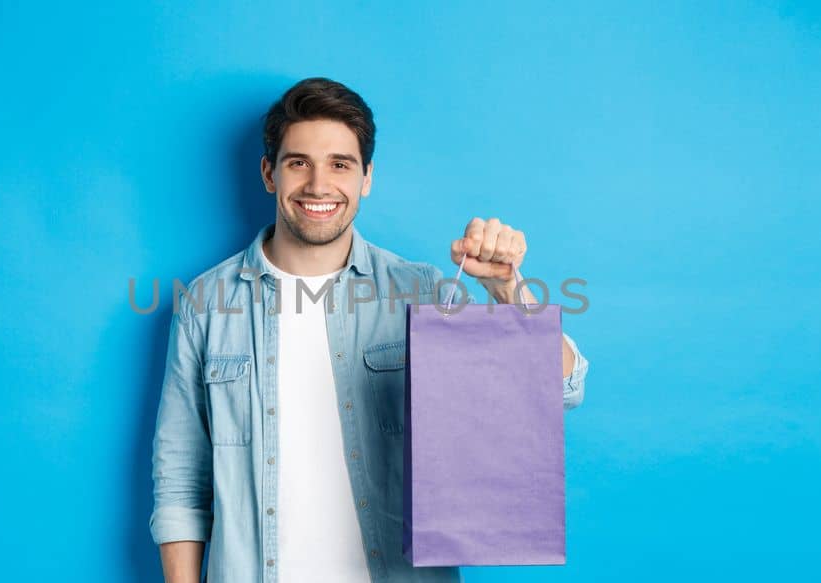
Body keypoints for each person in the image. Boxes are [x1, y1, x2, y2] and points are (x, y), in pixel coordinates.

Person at [149, 77, 589, 582]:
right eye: (299, 163)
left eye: (340, 164)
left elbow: (561, 390)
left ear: (367, 177)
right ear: (269, 173)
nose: (319, 185)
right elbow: (181, 483)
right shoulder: (205, 305)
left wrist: (510, 291)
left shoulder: (420, 291)